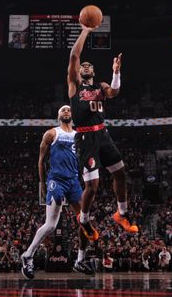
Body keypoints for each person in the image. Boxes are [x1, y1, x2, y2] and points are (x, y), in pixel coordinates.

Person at [67, 26, 137, 241]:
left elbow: (114, 92)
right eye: (83, 66)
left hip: (103, 135)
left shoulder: (101, 85)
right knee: (92, 186)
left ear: (94, 72)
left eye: (90, 65)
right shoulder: (74, 85)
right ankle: (84, 219)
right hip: (85, 138)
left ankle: (122, 213)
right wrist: (86, 31)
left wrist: (116, 71)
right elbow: (74, 56)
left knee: (120, 173)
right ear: (79, 72)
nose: (85, 66)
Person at [20, 105, 93, 279]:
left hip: (74, 181)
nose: (66, 111)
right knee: (51, 225)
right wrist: (43, 183)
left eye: (69, 109)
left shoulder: (78, 135)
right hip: (56, 180)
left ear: (72, 115)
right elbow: (41, 160)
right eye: (63, 110)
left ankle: (79, 261)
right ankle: (28, 255)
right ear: (58, 115)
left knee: (85, 222)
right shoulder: (52, 133)